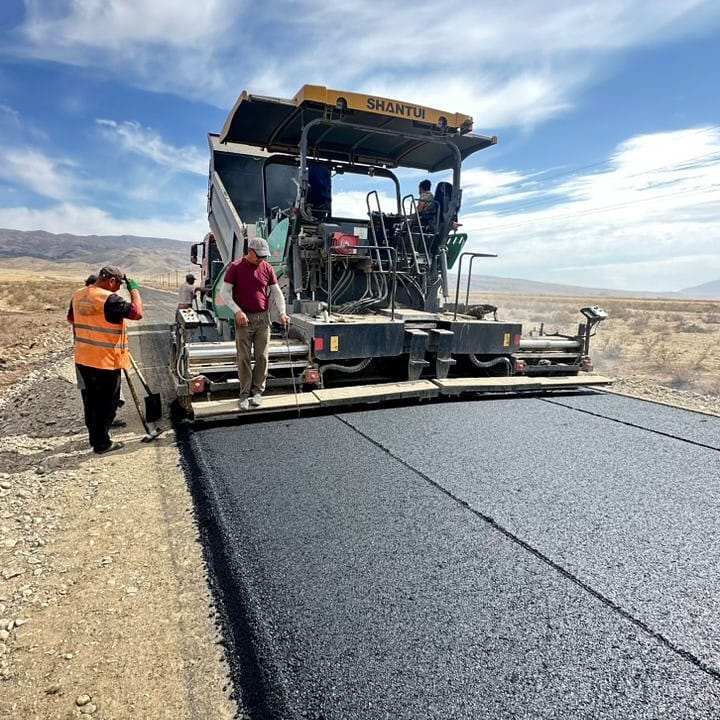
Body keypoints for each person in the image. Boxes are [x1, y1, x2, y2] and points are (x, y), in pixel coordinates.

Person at [67, 266, 144, 453]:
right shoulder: (110, 299)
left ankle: (96, 438)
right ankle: (102, 444)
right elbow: (137, 313)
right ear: (111, 281)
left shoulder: (78, 295)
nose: (119, 288)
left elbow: (71, 319)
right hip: (105, 361)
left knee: (91, 402)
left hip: (84, 358)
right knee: (107, 404)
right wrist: (134, 289)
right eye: (119, 284)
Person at [220, 237, 289, 411]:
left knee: (262, 356)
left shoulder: (267, 268)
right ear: (250, 251)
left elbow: (277, 292)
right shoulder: (235, 267)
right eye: (259, 256)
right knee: (243, 357)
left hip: (263, 319)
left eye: (264, 257)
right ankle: (244, 393)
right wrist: (237, 311)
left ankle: (257, 391)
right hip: (244, 319)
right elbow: (224, 293)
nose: (262, 260)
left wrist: (282, 312)